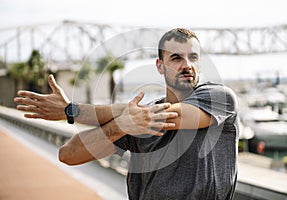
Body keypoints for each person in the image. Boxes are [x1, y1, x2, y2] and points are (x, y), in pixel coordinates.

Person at [14, 28, 239, 200]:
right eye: (176, 58)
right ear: (160, 66)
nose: (187, 65)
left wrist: (72, 111)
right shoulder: (134, 120)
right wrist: (119, 126)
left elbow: (166, 116)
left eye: (193, 57)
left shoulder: (219, 97)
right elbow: (69, 154)